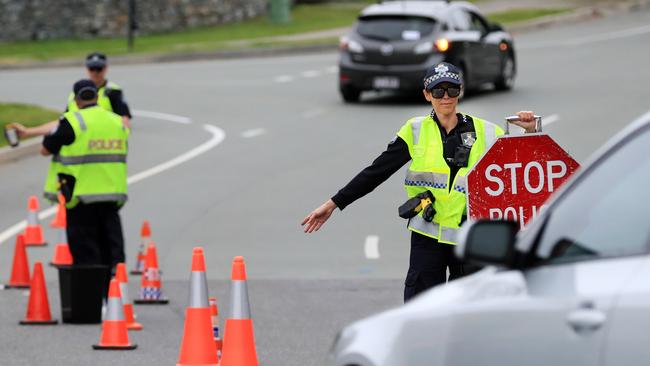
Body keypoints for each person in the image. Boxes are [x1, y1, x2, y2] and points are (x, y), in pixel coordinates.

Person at [301, 62, 538, 302]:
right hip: (428, 236)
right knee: (421, 308)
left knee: (469, 310)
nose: (446, 97)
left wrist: (531, 130)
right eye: (438, 91)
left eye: (452, 90)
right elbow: (377, 172)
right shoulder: (415, 130)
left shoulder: (487, 132)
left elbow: (523, 171)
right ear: (427, 95)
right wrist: (334, 203)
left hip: (470, 238)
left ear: (461, 91)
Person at [9, 51, 132, 202]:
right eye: (92, 69)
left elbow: (124, 125)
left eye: (98, 69)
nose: (95, 73)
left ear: (105, 69)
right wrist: (29, 132)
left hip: (99, 166)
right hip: (77, 169)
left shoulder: (112, 92)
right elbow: (64, 124)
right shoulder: (74, 97)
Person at [40, 79, 129, 271]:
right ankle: (112, 296)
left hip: (81, 199)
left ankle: (91, 299)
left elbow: (46, 149)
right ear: (97, 96)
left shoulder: (72, 121)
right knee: (111, 254)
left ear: (76, 99)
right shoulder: (117, 122)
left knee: (86, 258)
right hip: (111, 197)